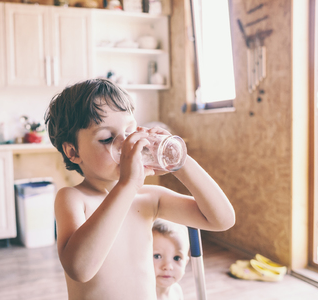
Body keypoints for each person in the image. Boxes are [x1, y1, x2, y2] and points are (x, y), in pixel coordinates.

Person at [44, 78, 235, 300]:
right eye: (107, 138)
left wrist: (179, 162)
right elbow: (80, 270)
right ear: (73, 152)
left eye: (130, 131)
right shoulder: (74, 198)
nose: (125, 144)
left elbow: (222, 219)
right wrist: (127, 185)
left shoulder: (149, 199)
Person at [152, 219, 190, 300]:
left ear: (185, 262)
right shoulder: (138, 294)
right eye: (157, 256)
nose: (168, 266)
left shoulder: (176, 290)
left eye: (177, 258)